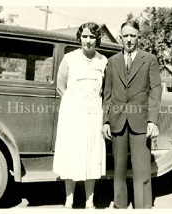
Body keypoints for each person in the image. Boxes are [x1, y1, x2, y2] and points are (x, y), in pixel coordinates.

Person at [102, 20, 162, 209]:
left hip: (141, 121)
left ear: (139, 37)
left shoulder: (149, 59)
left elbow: (155, 91)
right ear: (120, 37)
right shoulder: (112, 61)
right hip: (117, 121)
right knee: (118, 169)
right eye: (125, 36)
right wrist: (105, 121)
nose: (129, 40)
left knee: (142, 170)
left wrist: (153, 120)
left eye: (132, 36)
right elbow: (107, 94)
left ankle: (142, 206)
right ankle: (120, 205)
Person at [53, 22, 107, 209]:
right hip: (72, 116)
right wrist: (74, 104)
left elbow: (105, 90)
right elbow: (60, 85)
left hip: (93, 115)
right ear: (80, 38)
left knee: (91, 156)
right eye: (85, 36)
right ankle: (69, 199)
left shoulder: (103, 61)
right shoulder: (69, 58)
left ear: (96, 39)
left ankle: (89, 201)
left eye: (92, 37)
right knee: (72, 156)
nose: (88, 40)